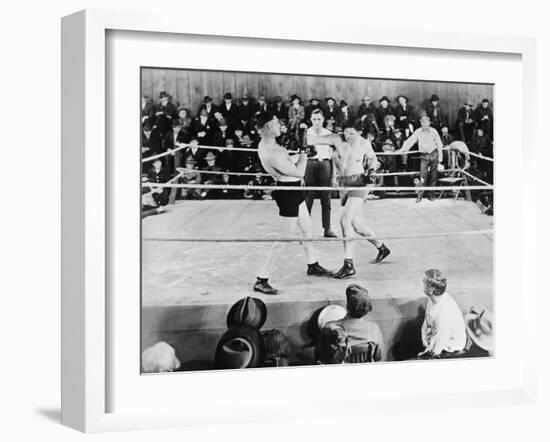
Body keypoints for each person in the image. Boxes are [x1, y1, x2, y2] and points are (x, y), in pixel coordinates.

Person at [254, 112, 332, 295]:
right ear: (267, 128)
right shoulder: (271, 152)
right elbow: (298, 173)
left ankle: (312, 264)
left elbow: (288, 164)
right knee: (285, 237)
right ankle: (261, 279)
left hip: (294, 189)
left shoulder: (268, 144)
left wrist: (299, 155)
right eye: (275, 123)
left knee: (306, 228)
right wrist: (304, 153)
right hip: (288, 192)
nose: (279, 126)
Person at [308, 121, 391, 279]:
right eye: (346, 132)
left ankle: (349, 265)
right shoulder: (337, 140)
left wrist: (373, 169)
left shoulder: (364, 143)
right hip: (344, 184)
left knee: (345, 220)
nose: (348, 136)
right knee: (358, 226)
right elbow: (315, 140)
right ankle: (382, 248)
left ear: (359, 132)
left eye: (352, 133)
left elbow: (374, 159)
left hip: (360, 182)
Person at [329, 283, 385, 362]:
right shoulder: (374, 329)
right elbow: (379, 357)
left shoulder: (331, 327)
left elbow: (325, 355)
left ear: (347, 306)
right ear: (366, 310)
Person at [418, 269, 467, 359]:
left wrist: (426, 349)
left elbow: (436, 350)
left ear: (430, 291)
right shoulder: (434, 298)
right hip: (436, 339)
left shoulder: (443, 315)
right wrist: (425, 341)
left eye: (424, 282)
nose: (422, 282)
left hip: (448, 350)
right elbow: (426, 324)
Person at [304, 109, 337, 238]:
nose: (316, 122)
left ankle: (327, 228)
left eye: (319, 119)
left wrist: (334, 176)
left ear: (323, 120)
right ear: (311, 120)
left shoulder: (329, 134)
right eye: (314, 119)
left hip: (325, 164)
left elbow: (334, 157)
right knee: (308, 197)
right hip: (310, 164)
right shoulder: (306, 133)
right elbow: (302, 154)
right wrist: (301, 174)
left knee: (326, 197)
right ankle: (306, 230)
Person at [397, 115, 443, 202]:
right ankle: (420, 195)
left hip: (434, 154)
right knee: (422, 176)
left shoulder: (434, 131)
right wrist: (402, 149)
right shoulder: (418, 132)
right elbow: (410, 141)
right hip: (424, 156)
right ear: (420, 123)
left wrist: (440, 156)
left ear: (429, 123)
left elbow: (439, 144)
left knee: (433, 175)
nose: (424, 124)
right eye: (422, 122)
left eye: (426, 122)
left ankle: (431, 194)